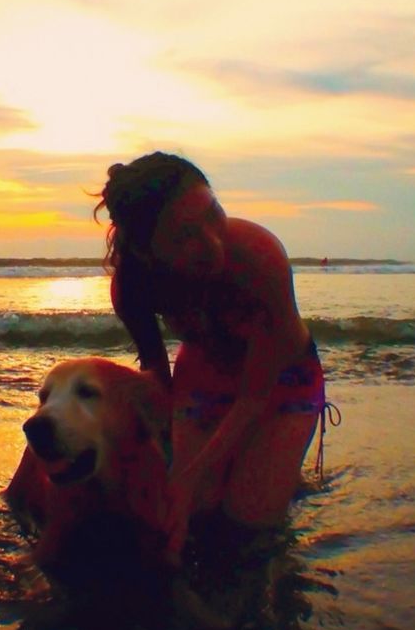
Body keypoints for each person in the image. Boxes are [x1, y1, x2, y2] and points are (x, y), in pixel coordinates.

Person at [96, 153, 327, 559]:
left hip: (283, 378)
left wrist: (188, 475)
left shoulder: (260, 257)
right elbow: (157, 376)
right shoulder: (133, 287)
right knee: (199, 513)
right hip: (204, 373)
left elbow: (254, 398)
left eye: (213, 212)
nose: (211, 243)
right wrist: (164, 459)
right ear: (147, 250)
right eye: (184, 235)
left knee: (247, 522)